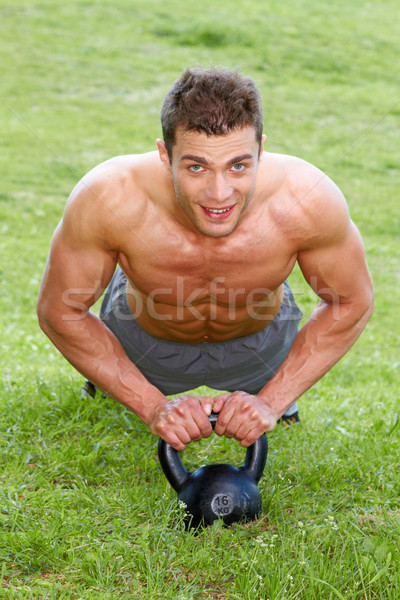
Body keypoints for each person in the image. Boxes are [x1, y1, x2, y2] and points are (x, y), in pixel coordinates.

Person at [37, 67, 374, 452]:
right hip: (143, 346)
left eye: (238, 165)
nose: (219, 193)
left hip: (261, 350)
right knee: (118, 372)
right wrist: (151, 406)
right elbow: (59, 310)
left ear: (261, 151)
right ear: (165, 155)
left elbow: (351, 301)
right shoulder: (109, 195)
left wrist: (271, 400)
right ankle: (110, 377)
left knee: (272, 393)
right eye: (197, 166)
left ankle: (270, 391)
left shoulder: (308, 196)